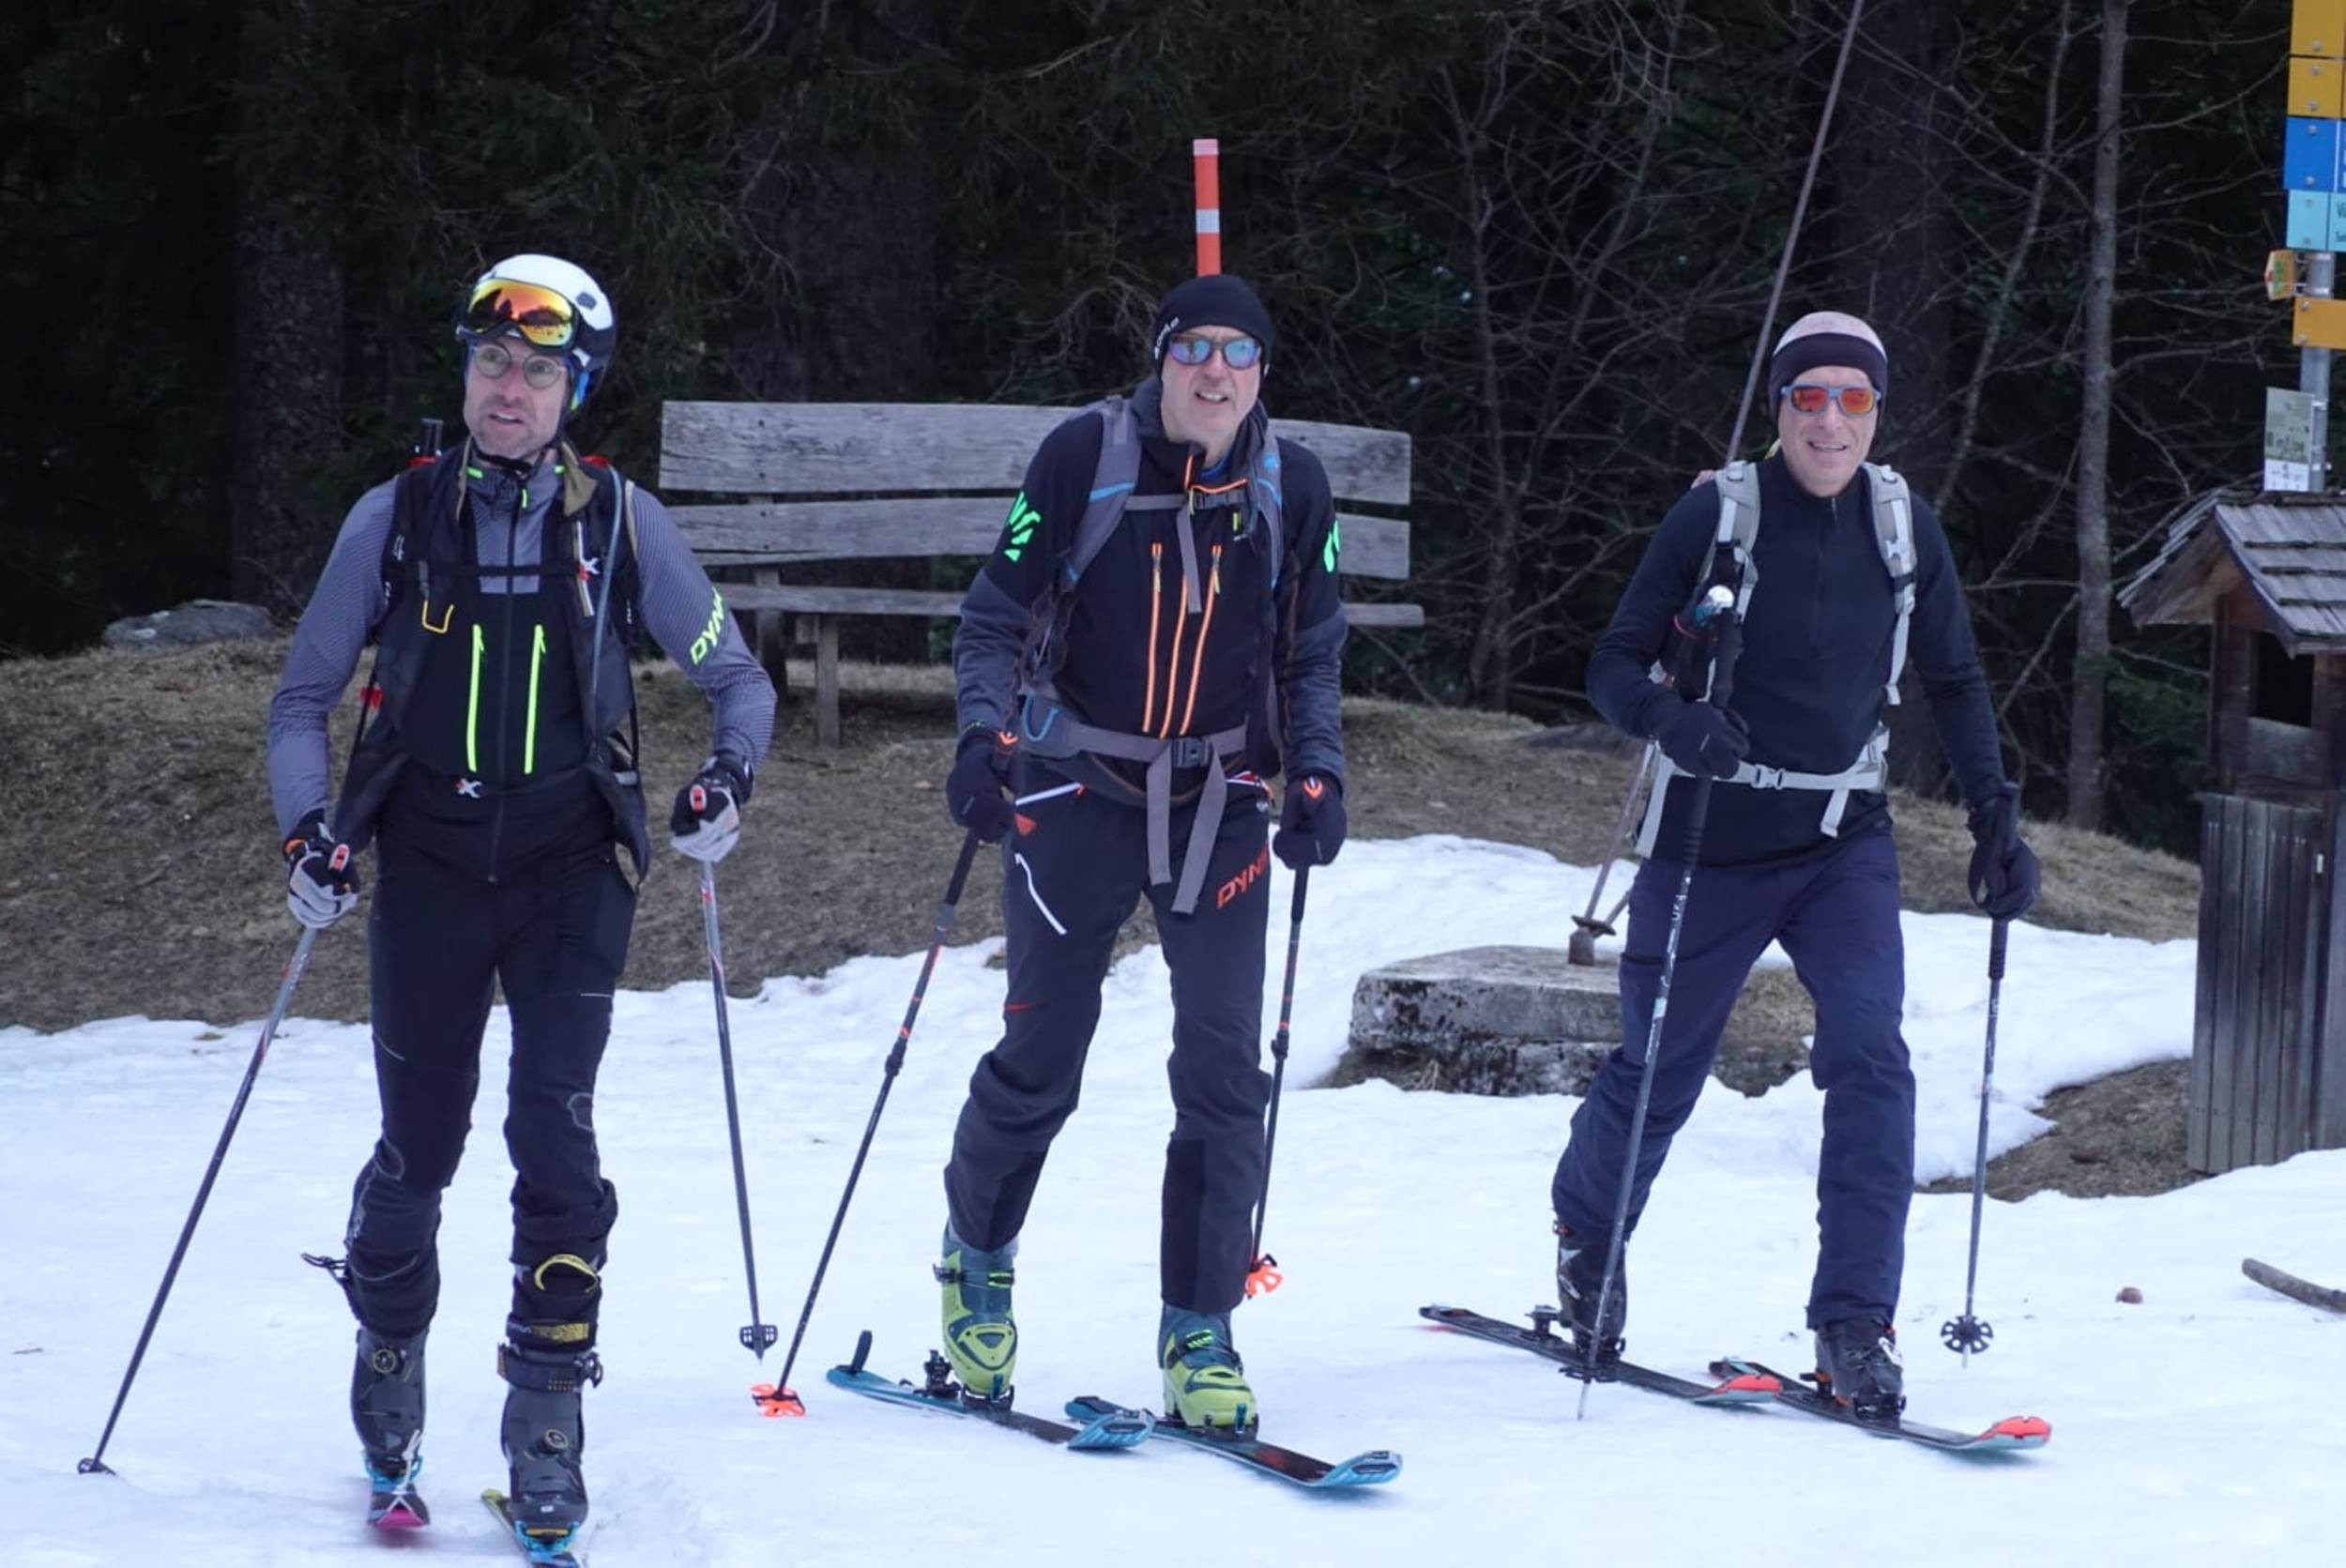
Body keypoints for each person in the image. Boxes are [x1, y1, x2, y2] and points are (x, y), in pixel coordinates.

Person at [266, 254, 775, 1545]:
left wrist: (724, 784)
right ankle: (389, 1356)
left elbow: (742, 685)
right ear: (466, 374)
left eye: (537, 371)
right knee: (421, 1148)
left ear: (574, 390)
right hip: (430, 862)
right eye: (492, 363)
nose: (509, 388)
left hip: (565, 867)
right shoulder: (396, 516)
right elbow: (300, 697)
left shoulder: (621, 524)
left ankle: (546, 1419)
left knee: (555, 1138)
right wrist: (307, 834)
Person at [1550, 311, 2039, 1420]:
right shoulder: (1716, 513)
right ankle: (1588, 1238)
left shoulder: (1901, 524)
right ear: (1778, 409)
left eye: (1852, 400)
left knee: (1871, 1062)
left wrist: (1995, 820)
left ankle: (1854, 1321)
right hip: (1706, 842)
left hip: (1839, 841)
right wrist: (1673, 723)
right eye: (1807, 398)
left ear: (1876, 413)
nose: (1830, 420)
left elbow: (1955, 681)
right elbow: (1612, 664)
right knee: (1661, 1063)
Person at [937, 273, 1349, 1430]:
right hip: (1076, 787)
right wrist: (982, 739)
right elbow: (991, 619)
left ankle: (1199, 1328)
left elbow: (1312, 652)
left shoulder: (1291, 486)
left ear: (1261, 374)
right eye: (1194, 350)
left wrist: (1318, 772)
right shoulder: (1082, 458)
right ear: (1161, 360)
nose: (1215, 373)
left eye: (1239, 355)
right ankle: (975, 1255)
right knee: (1043, 1055)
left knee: (1223, 1074)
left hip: (1223, 798)